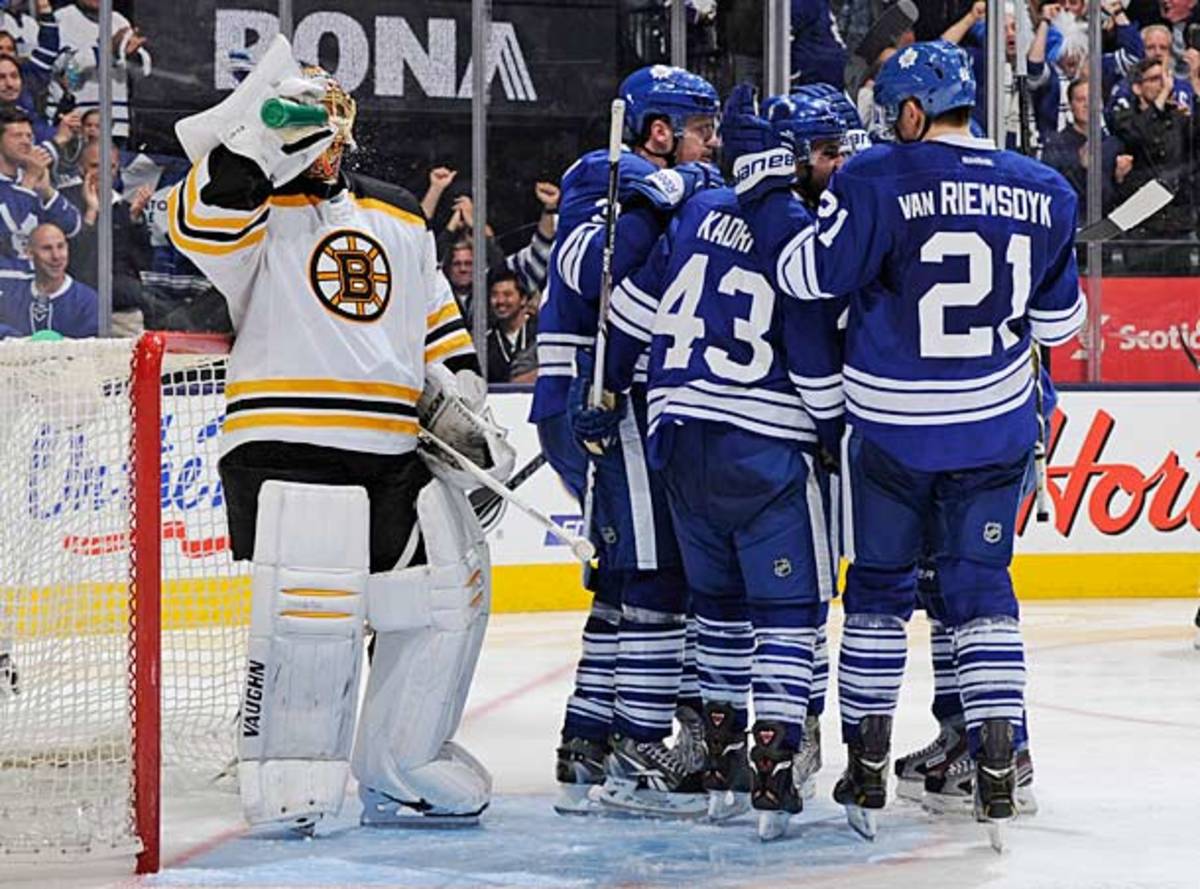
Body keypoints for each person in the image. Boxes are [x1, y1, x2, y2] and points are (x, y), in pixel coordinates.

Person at [724, 38, 1086, 840]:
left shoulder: (874, 175)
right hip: (994, 426)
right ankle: (998, 765)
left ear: (915, 112)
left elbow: (808, 277)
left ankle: (866, 762)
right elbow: (1062, 323)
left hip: (890, 432)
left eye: (893, 116)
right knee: (982, 592)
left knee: (880, 593)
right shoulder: (1047, 187)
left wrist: (767, 194)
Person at [167, 36, 511, 834]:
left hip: (396, 452)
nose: (326, 142)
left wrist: (462, 409)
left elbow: (439, 330)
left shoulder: (395, 210)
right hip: (291, 449)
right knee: (311, 618)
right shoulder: (249, 210)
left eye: (329, 122)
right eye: (305, 123)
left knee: (448, 594)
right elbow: (202, 223)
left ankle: (402, 761)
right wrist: (258, 140)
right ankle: (292, 781)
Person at [577, 93, 847, 840]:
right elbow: (816, 343)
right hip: (766, 446)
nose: (839, 164)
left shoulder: (698, 208)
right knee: (790, 615)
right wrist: (831, 428)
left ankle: (722, 757)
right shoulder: (803, 226)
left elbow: (630, 310)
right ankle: (777, 761)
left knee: (718, 613)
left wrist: (602, 388)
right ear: (793, 157)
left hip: (678, 440)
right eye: (826, 151)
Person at [533, 64, 721, 817]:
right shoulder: (609, 171)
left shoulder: (649, 176)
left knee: (621, 579)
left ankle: (588, 732)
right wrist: (668, 192)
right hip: (602, 399)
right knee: (655, 573)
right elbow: (585, 268)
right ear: (659, 132)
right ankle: (640, 746)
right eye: (702, 132)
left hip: (598, 397)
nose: (713, 147)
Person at [0, 106, 80, 268]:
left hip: (39, 279)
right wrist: (28, 182)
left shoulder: (34, 178)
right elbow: (6, 231)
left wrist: (47, 192)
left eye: (29, 136)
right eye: (17, 136)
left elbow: (73, 227)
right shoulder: (29, 178)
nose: (26, 141)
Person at [1043, 78, 1131, 223]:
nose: (1087, 105)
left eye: (1092, 99)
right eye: (1080, 99)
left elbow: (1113, 201)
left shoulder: (1113, 145)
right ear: (1071, 105)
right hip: (1072, 226)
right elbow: (1056, 191)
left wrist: (1120, 180)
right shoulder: (1056, 144)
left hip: (1105, 231)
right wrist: (1083, 168)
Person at [0, 221, 96, 338]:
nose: (56, 256)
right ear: (29, 253)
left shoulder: (87, 302)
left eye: (60, 247)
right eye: (47, 248)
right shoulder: (12, 297)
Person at [484, 269, 537, 383]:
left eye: (507, 295)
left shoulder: (541, 333)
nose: (500, 301)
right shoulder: (485, 342)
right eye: (494, 295)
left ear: (523, 299)